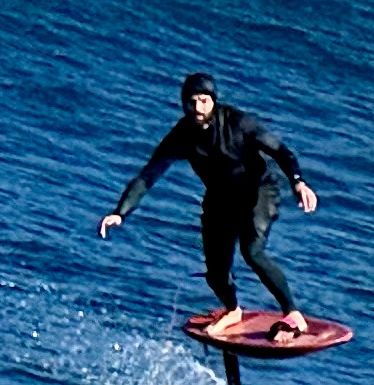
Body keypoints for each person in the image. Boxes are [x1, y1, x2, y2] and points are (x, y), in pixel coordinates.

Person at [100, 71, 320, 325]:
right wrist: (120, 212)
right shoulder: (181, 136)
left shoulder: (239, 123)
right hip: (220, 197)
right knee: (216, 273)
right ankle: (233, 310)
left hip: (258, 191)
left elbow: (281, 151)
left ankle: (292, 312)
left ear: (214, 101)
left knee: (252, 252)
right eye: (191, 102)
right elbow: (148, 175)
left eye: (204, 100)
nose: (197, 107)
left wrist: (298, 182)